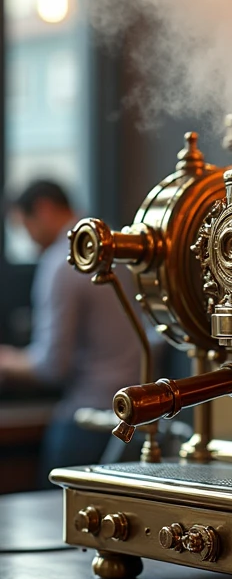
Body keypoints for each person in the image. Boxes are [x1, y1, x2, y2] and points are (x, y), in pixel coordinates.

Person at [0, 180, 141, 485]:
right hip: (137, 416)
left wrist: (7, 361)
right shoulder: (116, 246)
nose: (29, 240)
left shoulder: (61, 261)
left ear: (44, 209)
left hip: (89, 420)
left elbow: (51, 366)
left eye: (26, 226)